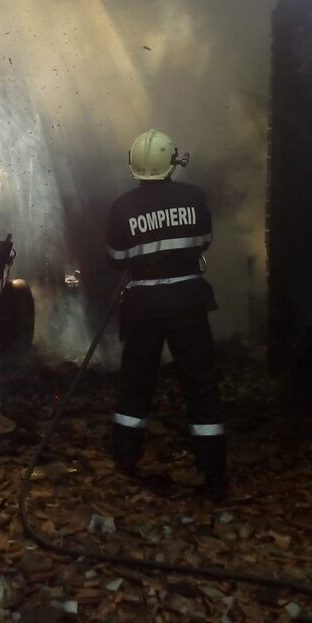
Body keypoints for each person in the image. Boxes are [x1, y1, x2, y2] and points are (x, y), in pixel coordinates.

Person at [105, 129, 227, 498]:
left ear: (135, 166)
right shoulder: (194, 196)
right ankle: (213, 471)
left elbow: (115, 258)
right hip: (188, 299)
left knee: (136, 382)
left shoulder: (122, 206)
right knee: (200, 384)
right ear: (172, 162)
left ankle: (126, 460)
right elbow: (204, 239)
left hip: (143, 303)